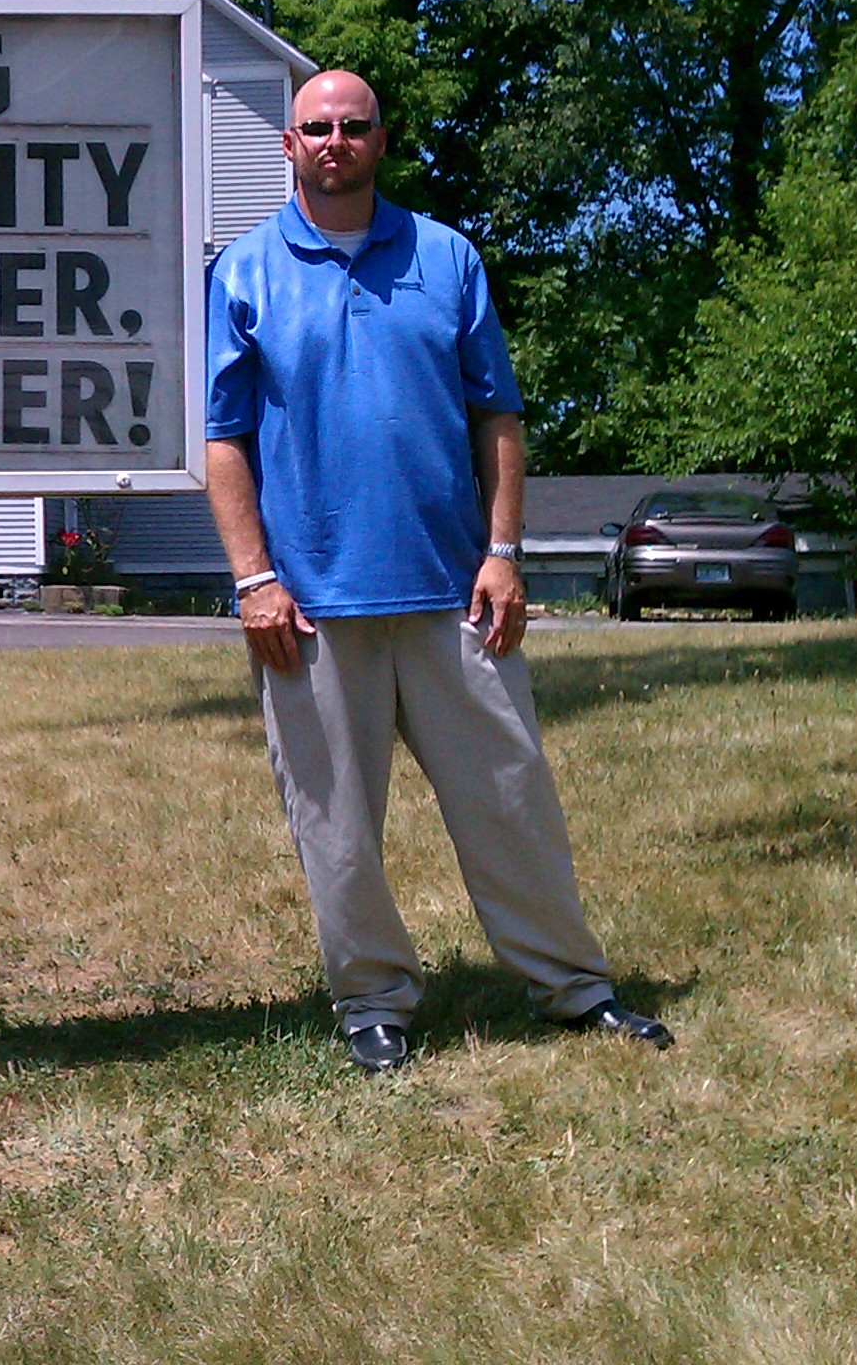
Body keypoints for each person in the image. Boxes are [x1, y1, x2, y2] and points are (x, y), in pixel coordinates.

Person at [204, 68, 670, 1075]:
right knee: (335, 823)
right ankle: (373, 999)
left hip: (452, 592)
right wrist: (253, 577)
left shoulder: (447, 258)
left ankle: (574, 985)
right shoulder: (243, 273)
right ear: (288, 145)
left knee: (513, 794)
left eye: (354, 125)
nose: (335, 140)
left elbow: (495, 415)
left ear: (381, 139)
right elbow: (225, 440)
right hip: (311, 605)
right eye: (316, 127)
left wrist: (504, 553)